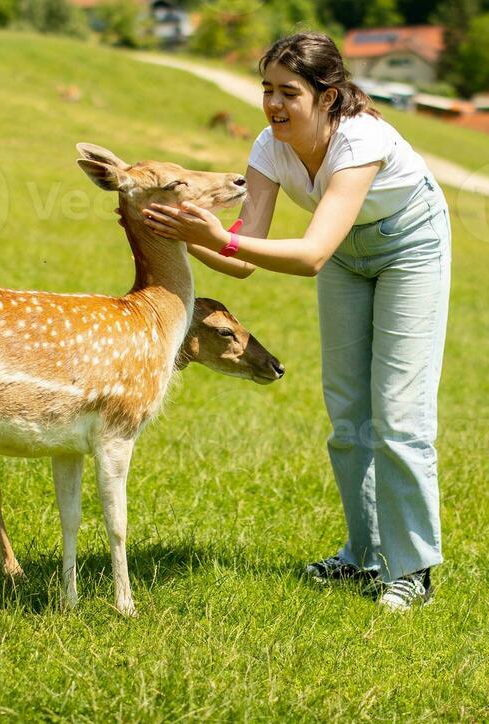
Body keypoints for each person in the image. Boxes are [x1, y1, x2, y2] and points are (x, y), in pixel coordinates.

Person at [141, 31, 451, 611]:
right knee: (346, 409)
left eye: (290, 92)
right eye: (267, 90)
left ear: (327, 96)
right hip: (344, 255)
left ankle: (412, 570)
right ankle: (363, 557)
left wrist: (213, 238)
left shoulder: (361, 141)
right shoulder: (270, 145)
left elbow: (309, 256)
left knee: (398, 413)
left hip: (410, 248)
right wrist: (176, 237)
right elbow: (244, 254)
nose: (274, 105)